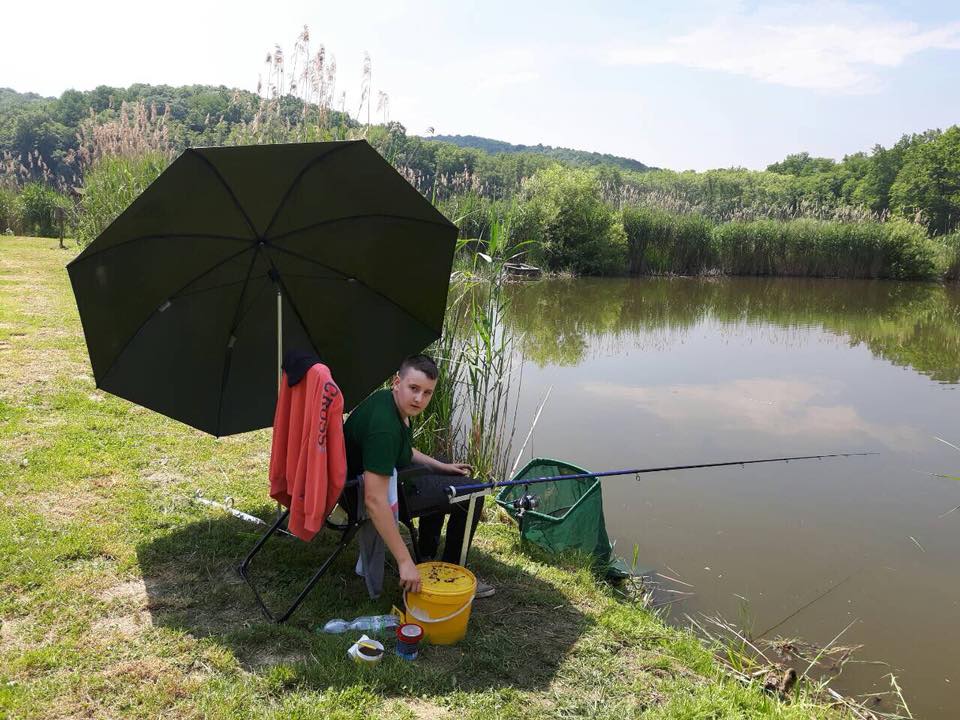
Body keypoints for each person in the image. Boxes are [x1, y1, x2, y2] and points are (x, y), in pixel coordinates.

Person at [343, 353, 495, 598]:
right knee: (472, 493)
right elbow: (374, 500)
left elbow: (403, 450)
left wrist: (440, 467)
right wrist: (404, 561)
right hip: (360, 495)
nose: (419, 399)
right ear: (397, 382)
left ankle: (426, 554)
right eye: (414, 388)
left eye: (427, 393)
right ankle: (452, 574)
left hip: (366, 482)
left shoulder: (387, 400)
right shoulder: (384, 428)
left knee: (446, 477)